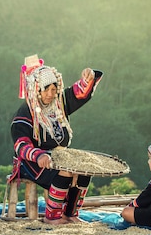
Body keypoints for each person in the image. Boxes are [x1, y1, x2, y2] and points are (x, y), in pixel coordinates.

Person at [10, 54, 103, 224]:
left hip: (59, 157)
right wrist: (39, 156)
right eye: (47, 90)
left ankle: (70, 214)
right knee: (66, 172)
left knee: (85, 169)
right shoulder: (24, 113)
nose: (51, 94)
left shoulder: (58, 103)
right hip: (31, 162)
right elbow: (21, 146)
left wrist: (87, 77)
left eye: (54, 89)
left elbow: (78, 93)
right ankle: (52, 217)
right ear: (36, 89)